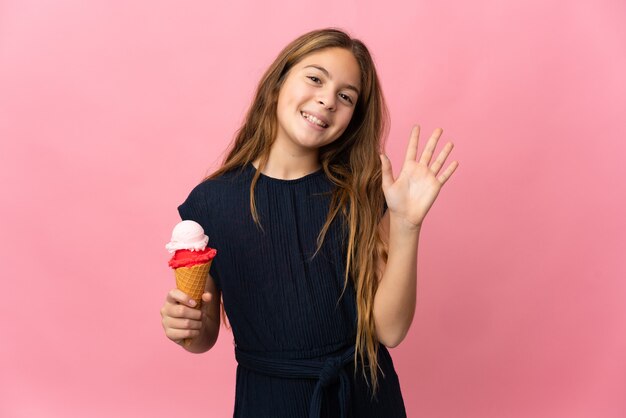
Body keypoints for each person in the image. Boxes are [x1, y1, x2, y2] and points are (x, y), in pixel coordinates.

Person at [160, 28, 458, 418]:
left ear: (353, 118)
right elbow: (204, 336)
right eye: (315, 78)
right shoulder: (210, 203)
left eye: (346, 96)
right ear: (278, 82)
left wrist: (406, 225)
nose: (327, 99)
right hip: (267, 402)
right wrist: (184, 325)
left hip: (363, 400)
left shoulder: (362, 197)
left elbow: (390, 330)